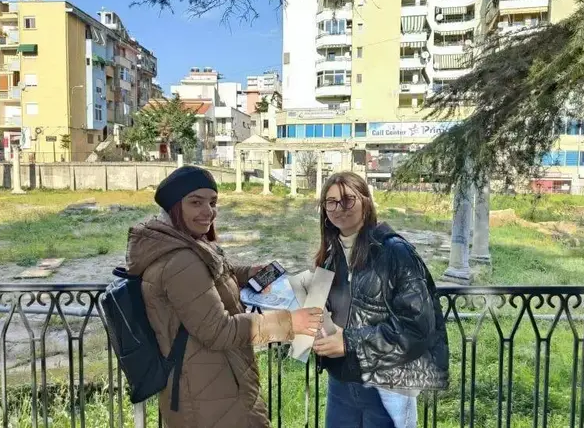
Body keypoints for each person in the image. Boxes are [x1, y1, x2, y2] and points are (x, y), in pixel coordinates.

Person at [125, 165, 323, 428]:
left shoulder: (182, 244)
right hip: (209, 394)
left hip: (210, 382)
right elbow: (218, 330)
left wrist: (247, 273)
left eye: (212, 202)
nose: (208, 211)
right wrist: (289, 323)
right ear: (174, 206)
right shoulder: (180, 261)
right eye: (196, 202)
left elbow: (206, 279)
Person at [312, 172, 449, 428]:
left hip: (387, 384)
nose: (339, 208)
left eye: (348, 200)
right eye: (331, 202)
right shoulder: (331, 257)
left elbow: (418, 328)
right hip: (341, 384)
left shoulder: (395, 252)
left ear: (366, 202)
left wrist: (349, 342)